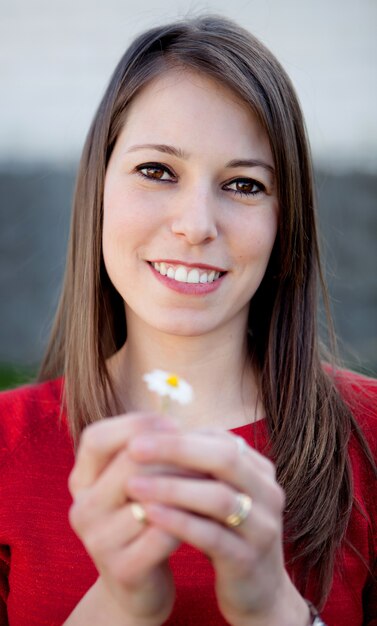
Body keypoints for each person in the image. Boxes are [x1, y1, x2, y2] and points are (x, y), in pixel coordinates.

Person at [0, 14, 376, 626]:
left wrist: (274, 608)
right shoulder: (5, 447)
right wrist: (121, 605)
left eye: (244, 184)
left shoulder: (371, 437)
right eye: (157, 171)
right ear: (98, 186)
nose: (196, 223)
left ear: (287, 221)